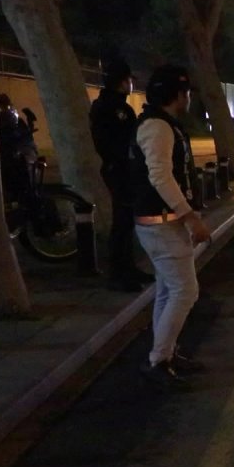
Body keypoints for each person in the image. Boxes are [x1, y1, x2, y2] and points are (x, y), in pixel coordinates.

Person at [130, 65, 211, 390]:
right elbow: (160, 176)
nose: (188, 98)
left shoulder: (161, 124)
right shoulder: (158, 127)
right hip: (161, 223)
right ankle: (158, 360)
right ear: (178, 94)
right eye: (186, 92)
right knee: (185, 291)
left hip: (162, 222)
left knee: (168, 290)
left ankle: (164, 352)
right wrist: (190, 217)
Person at [90, 56, 153, 291]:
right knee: (122, 222)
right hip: (119, 170)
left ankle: (128, 268)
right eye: (128, 80)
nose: (131, 84)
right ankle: (118, 274)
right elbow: (116, 142)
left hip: (121, 168)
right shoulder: (113, 108)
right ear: (121, 82)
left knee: (126, 221)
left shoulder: (110, 105)